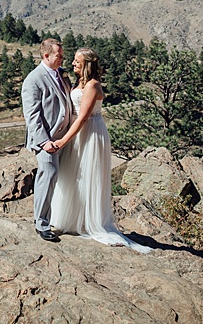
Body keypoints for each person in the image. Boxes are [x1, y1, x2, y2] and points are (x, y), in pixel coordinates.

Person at [49, 47, 152, 253]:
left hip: (90, 133)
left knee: (88, 175)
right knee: (73, 175)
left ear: (86, 64)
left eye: (77, 61)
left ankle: (90, 221)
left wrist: (62, 141)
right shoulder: (79, 83)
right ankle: (71, 218)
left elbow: (83, 117)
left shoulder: (93, 85)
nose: (72, 63)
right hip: (79, 132)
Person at [21, 38, 73, 242]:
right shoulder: (33, 80)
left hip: (65, 138)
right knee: (48, 175)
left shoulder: (61, 74)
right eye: (59, 56)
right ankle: (41, 224)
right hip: (47, 140)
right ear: (46, 56)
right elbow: (32, 115)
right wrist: (44, 142)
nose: (62, 58)